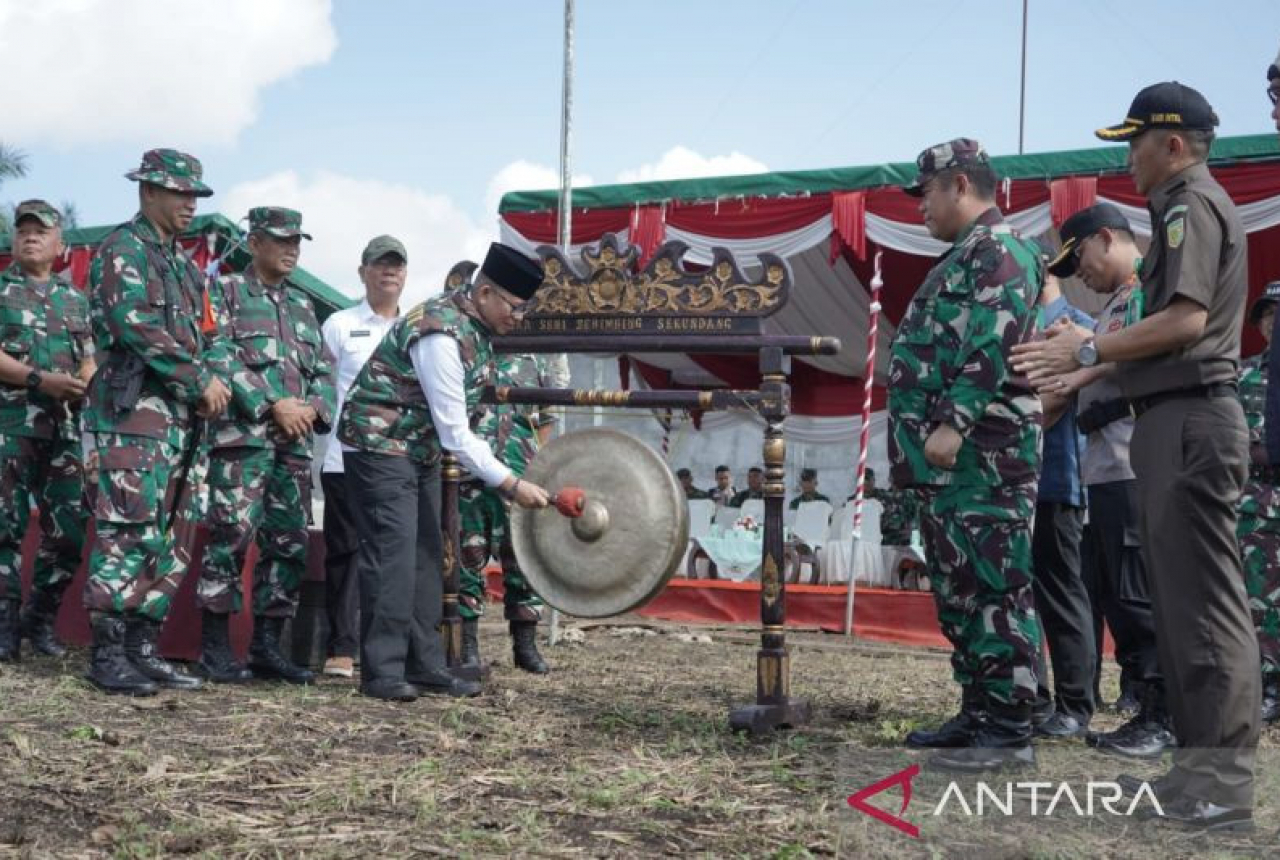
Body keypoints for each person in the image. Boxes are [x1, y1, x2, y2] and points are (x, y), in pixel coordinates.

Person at [1014, 83, 1258, 829]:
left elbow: (1183, 321)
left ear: (1173, 143)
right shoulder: (1182, 205)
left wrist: (1088, 344)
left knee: (1204, 615)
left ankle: (1220, 789)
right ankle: (1195, 780)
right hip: (1171, 423)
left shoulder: (1189, 203)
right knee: (1183, 617)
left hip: (1188, 420)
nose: (1129, 158)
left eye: (1135, 142)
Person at [888, 138, 1044, 772]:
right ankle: (980, 710)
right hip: (951, 469)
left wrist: (952, 423)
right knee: (960, 590)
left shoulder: (1000, 252)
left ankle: (1010, 727)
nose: (920, 206)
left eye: (925, 192)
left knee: (995, 587)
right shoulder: (961, 258)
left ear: (958, 184)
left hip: (986, 457)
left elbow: (994, 341)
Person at [338, 242, 551, 702]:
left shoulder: (475, 328)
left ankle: (427, 664)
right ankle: (383, 671)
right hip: (379, 445)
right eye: (515, 307)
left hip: (417, 451)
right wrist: (512, 484)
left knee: (428, 555)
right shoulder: (440, 332)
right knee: (393, 557)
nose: (518, 318)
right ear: (488, 292)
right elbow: (456, 431)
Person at [83, 149, 231, 695]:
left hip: (182, 424)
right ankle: (107, 652)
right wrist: (198, 380)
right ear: (148, 192)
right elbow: (132, 324)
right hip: (134, 415)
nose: (190, 204)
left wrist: (213, 380)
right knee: (127, 526)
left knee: (174, 531)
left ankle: (143, 647)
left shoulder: (185, 266)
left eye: (195, 195)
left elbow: (209, 336)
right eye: (180, 193)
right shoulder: (123, 249)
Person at [1044, 203, 1172, 758]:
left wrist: (1082, 358)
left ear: (1105, 239)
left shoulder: (1147, 287)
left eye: (1084, 262)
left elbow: (1137, 354)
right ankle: (1145, 708)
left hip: (1129, 463)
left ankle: (1161, 715)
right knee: (1116, 598)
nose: (1083, 276)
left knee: (1138, 598)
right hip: (1103, 466)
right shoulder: (1118, 301)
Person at [194, 207, 336, 685]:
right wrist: (272, 402)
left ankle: (266, 648)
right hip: (243, 441)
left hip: (293, 448)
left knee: (289, 543)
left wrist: (313, 409)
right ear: (254, 243)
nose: (292, 249)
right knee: (229, 538)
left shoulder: (302, 307)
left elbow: (324, 373)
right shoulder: (226, 292)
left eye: (298, 240)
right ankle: (214, 649)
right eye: (282, 240)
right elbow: (216, 353)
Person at [0, 201, 95, 660]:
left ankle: (37, 619)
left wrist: (84, 379)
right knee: (5, 528)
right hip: (11, 426)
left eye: (41, 231)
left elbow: (90, 356)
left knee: (69, 531)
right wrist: (41, 380)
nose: (30, 237)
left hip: (64, 430)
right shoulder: (1, 291)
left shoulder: (76, 299)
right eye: (23, 231)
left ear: (61, 245)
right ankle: (3, 628)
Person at [318, 235, 405, 679]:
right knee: (345, 554)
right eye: (380, 264)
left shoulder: (415, 329)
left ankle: (388, 649)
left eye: (396, 265)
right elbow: (317, 381)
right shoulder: (337, 324)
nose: (389, 271)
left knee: (394, 554)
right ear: (363, 272)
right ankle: (341, 647)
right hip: (344, 457)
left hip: (399, 460)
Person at [1027, 273, 1097, 740]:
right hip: (1018, 483)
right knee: (1025, 596)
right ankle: (1035, 698)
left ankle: (1075, 703)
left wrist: (999, 420)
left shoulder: (1076, 326)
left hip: (1055, 479)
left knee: (1061, 593)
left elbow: (1056, 397)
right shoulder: (1023, 325)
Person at [458, 352, 554, 674]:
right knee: (466, 561)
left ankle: (525, 646)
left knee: (525, 562)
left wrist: (536, 465)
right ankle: (466, 646)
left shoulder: (536, 363)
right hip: (471, 478)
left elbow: (544, 420)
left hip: (522, 479)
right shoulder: (467, 352)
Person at [1236, 280, 1280, 723]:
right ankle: (1268, 685)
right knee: (1260, 598)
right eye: (1267, 315)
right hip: (1257, 503)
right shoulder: (1243, 374)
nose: (1274, 322)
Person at [860, 468, 918, 548]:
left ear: (873, 480)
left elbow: (904, 518)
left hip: (890, 544)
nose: (865, 482)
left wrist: (908, 528)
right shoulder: (852, 502)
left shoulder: (886, 497)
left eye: (867, 479)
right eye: (862, 479)